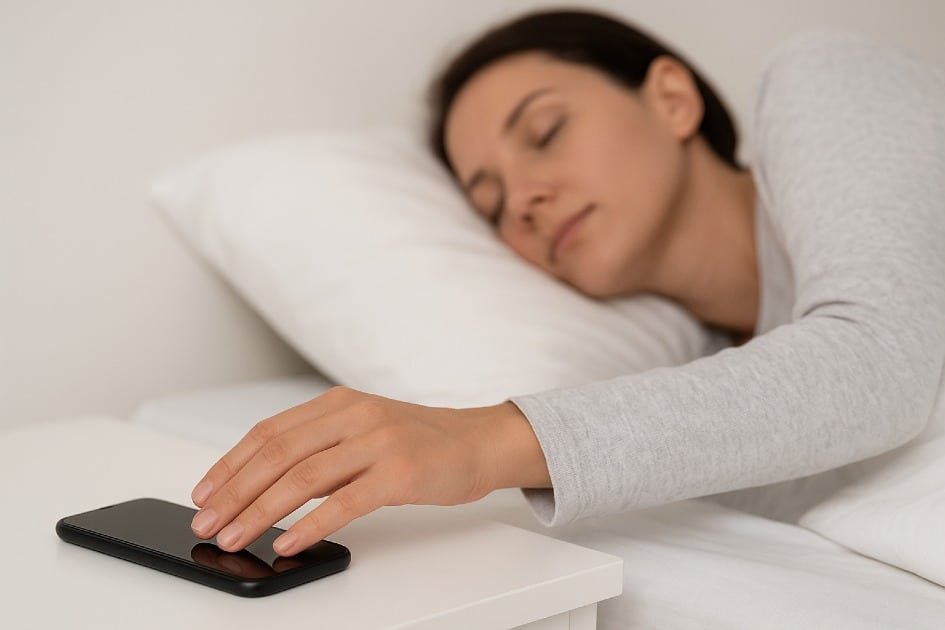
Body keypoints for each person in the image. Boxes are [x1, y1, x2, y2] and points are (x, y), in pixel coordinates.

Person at [188, 9, 945, 556]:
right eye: (491, 204)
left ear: (672, 99)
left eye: (546, 132)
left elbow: (876, 359)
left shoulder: (825, 79)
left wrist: (484, 439)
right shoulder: (704, 405)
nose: (523, 199)